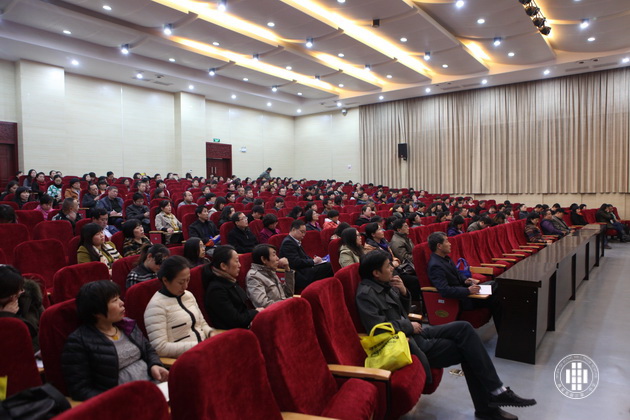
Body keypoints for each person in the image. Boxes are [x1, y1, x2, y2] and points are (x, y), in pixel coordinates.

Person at [356, 251, 536, 420]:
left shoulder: (385, 284)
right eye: (388, 266)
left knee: (464, 328)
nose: (392, 268)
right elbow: (378, 330)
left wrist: (404, 293)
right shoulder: (366, 295)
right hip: (407, 343)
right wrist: (408, 326)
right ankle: (491, 403)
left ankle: (496, 394)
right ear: (376, 273)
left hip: (413, 333)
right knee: (468, 350)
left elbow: (401, 312)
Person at [61, 281, 168, 401]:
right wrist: (114, 400)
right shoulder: (78, 342)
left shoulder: (127, 325)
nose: (122, 303)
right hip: (124, 399)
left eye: (119, 298)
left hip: (154, 386)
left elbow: (148, 350)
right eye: (114, 300)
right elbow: (79, 390)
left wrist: (155, 365)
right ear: (96, 312)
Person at [427, 232, 502, 327]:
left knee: (496, 287)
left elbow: (458, 273)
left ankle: (504, 331)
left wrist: (465, 280)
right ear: (439, 246)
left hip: (465, 291)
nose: (450, 244)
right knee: (498, 297)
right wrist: (468, 291)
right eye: (447, 241)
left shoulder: (445, 258)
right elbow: (444, 290)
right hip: (461, 299)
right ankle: (504, 331)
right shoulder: (435, 266)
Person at [144, 256, 212, 358]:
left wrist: (211, 333)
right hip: (184, 358)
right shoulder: (156, 307)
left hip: (204, 350)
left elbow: (202, 324)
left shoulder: (188, 295)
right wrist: (198, 346)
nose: (185, 286)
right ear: (165, 280)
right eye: (181, 282)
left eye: (188, 280)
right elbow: (160, 348)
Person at [203, 245, 261, 329]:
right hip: (234, 332)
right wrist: (255, 312)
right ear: (223, 266)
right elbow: (236, 320)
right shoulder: (216, 290)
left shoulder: (230, 280)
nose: (239, 265)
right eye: (236, 261)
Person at [0, 265, 44, 352]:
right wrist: (6, 316)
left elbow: (43, 329)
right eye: (10, 295)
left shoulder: (29, 297)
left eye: (19, 290)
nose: (14, 297)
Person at [279, 220, 333, 290]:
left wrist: (314, 260)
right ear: (293, 229)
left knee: (327, 264)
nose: (304, 234)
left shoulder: (294, 241)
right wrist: (313, 262)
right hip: (300, 274)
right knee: (329, 267)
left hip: (304, 269)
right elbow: (295, 262)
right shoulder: (288, 243)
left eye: (305, 232)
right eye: (302, 232)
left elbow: (304, 257)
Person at [246, 244, 295, 308]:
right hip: (275, 312)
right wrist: (286, 304)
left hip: (283, 308)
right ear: (264, 259)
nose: (278, 258)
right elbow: (263, 304)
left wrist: (287, 269)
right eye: (274, 255)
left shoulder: (270, 271)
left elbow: (288, 293)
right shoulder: (254, 277)